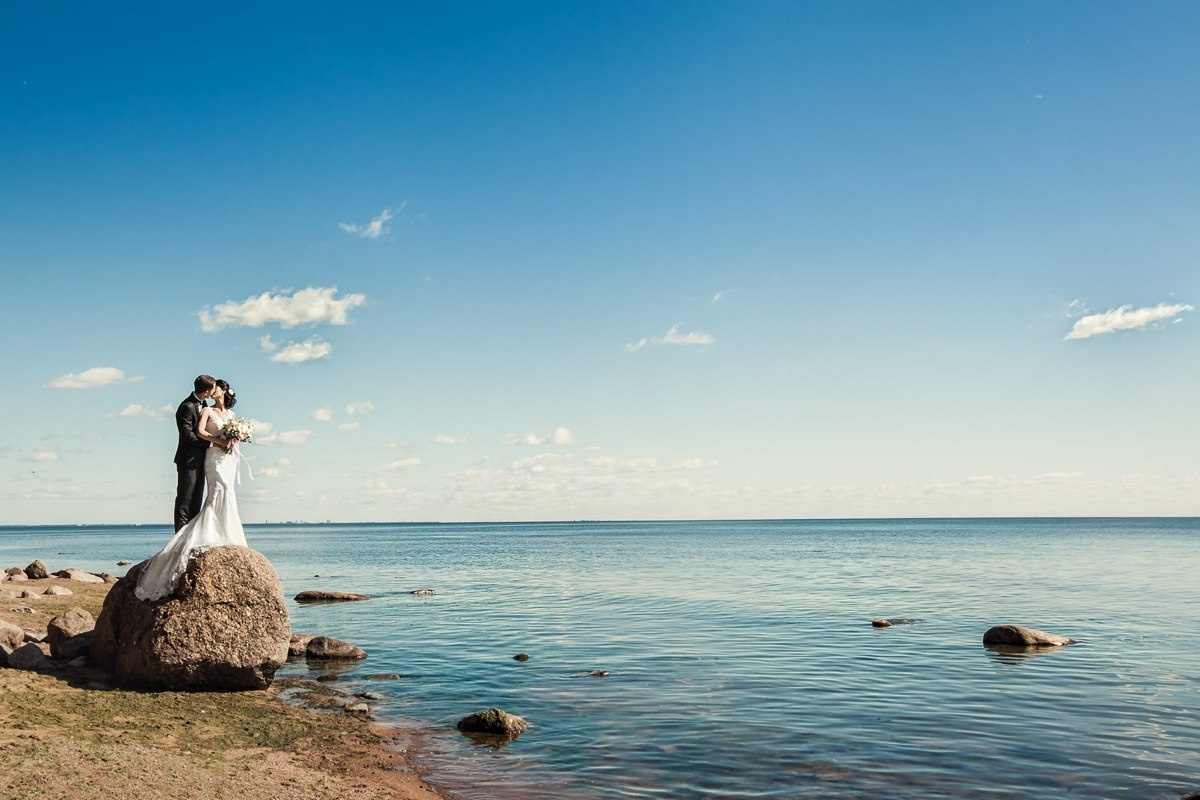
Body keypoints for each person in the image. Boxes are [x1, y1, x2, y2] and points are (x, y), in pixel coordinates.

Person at [138, 378, 246, 601]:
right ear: (207, 391)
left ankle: (223, 533)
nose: (214, 391)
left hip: (223, 458)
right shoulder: (192, 407)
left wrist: (235, 438)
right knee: (191, 498)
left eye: (217, 388)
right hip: (202, 458)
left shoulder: (218, 411)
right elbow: (193, 434)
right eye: (212, 388)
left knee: (208, 497)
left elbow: (228, 434)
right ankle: (181, 539)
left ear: (223, 392)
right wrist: (217, 442)